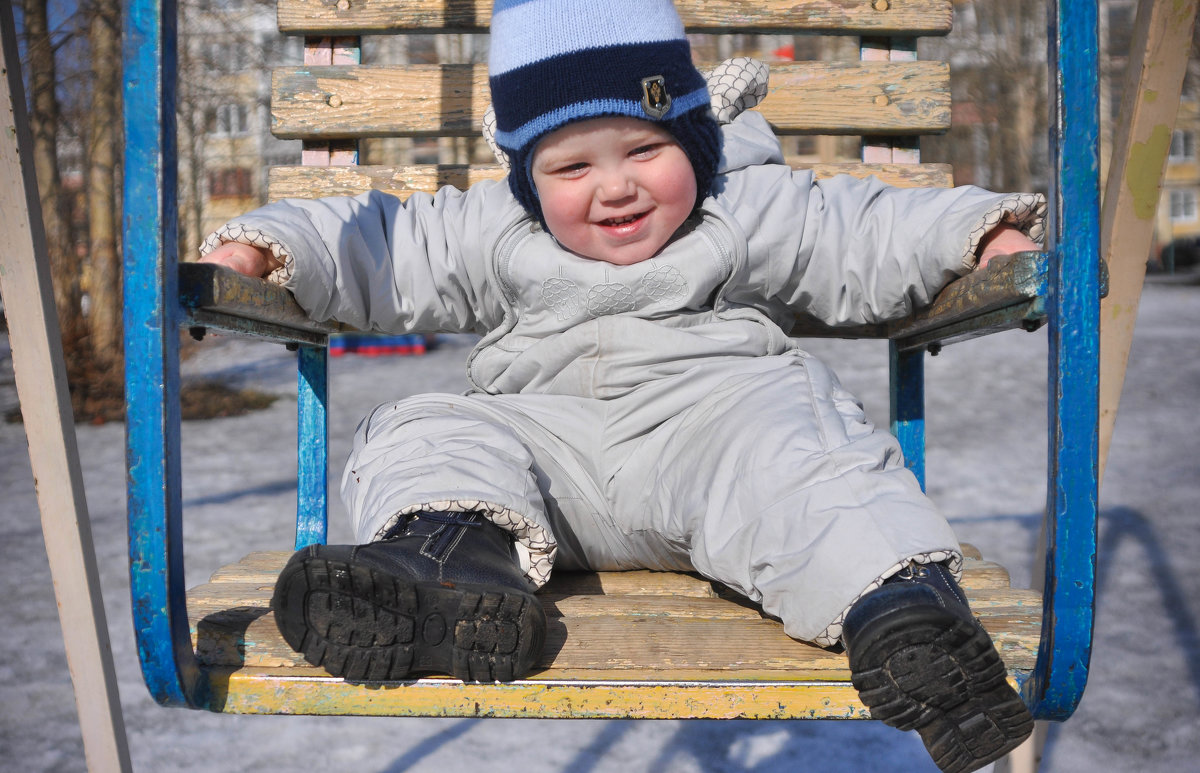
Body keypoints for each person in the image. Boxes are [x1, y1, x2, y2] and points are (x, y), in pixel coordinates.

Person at [200, 2, 1042, 770]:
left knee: (802, 439)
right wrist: (263, 252)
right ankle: (448, 561)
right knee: (421, 423)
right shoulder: (495, 228)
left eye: (646, 149)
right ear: (529, 175)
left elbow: (868, 229)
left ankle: (896, 610)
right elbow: (380, 243)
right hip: (544, 469)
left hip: (713, 445)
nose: (615, 186)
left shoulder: (742, 206)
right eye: (571, 167)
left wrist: (987, 240)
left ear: (697, 141)